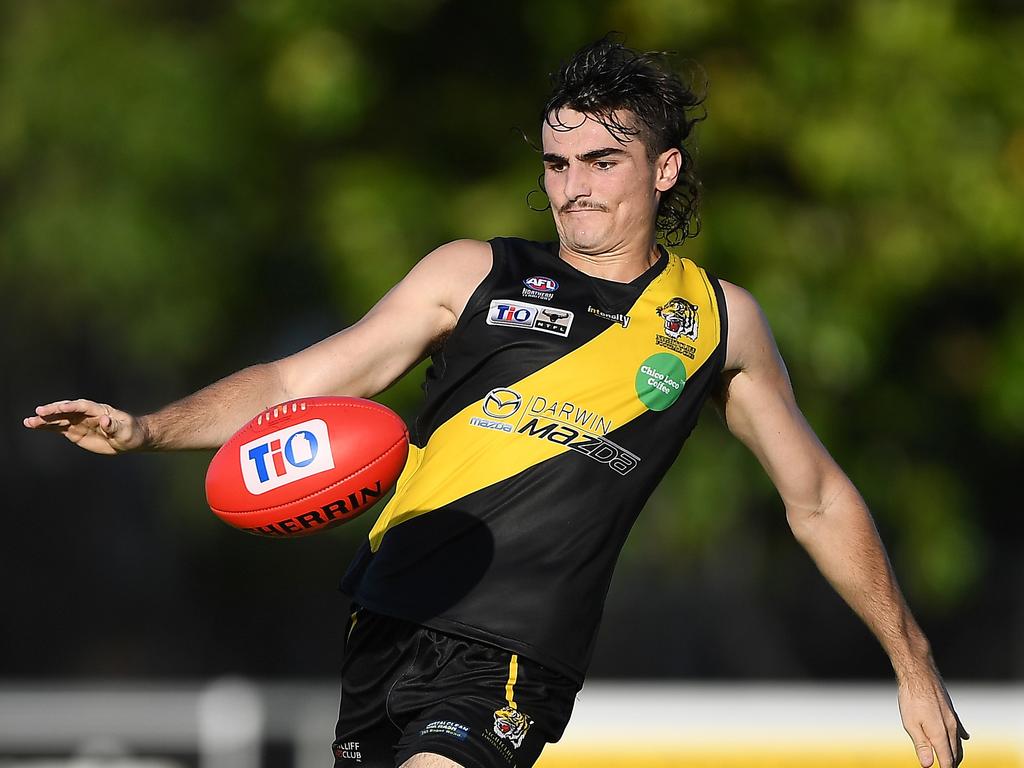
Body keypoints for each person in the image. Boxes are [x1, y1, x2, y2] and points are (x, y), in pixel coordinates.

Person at [24, 36, 967, 768]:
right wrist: (146, 429)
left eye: (603, 161)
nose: (574, 188)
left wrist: (912, 658)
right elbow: (292, 384)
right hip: (383, 618)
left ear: (664, 170)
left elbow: (816, 499)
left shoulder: (716, 322)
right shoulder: (473, 273)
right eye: (559, 165)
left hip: (513, 644)